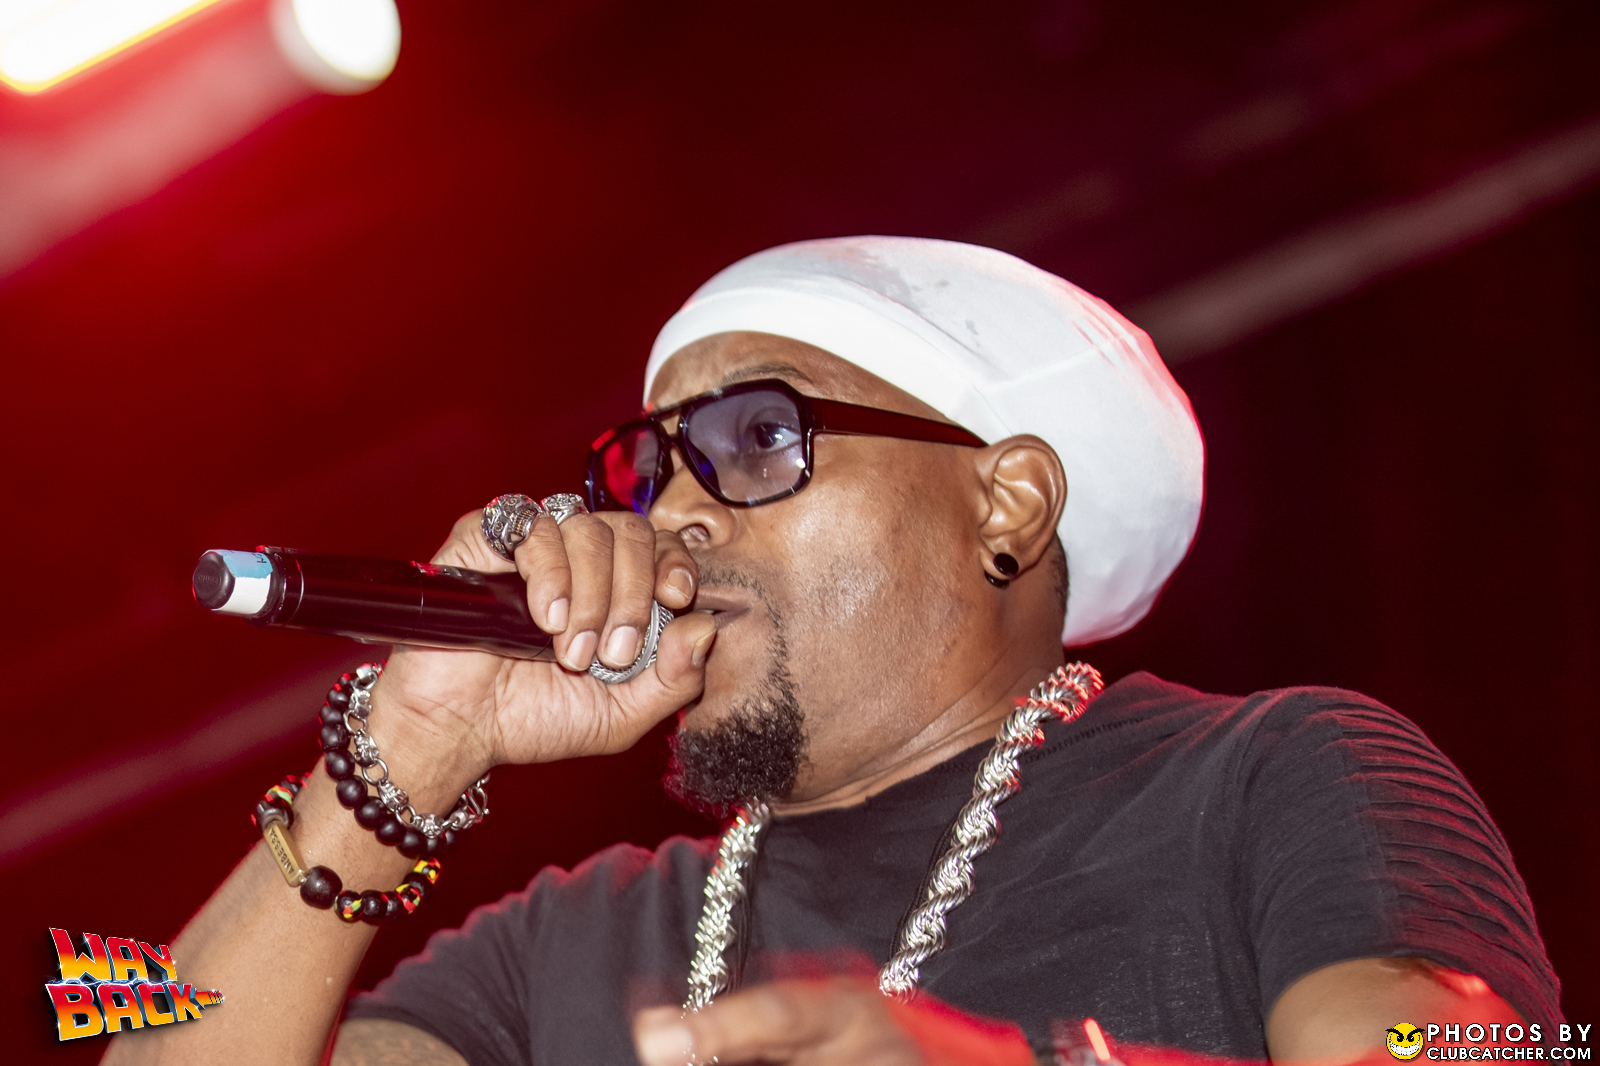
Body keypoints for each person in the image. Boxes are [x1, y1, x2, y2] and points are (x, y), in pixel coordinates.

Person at [107, 237, 1559, 1066]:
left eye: (757, 435)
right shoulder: (577, 939)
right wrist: (404, 756)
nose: (670, 514)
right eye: (643, 469)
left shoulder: (1268, 772)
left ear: (1006, 503)